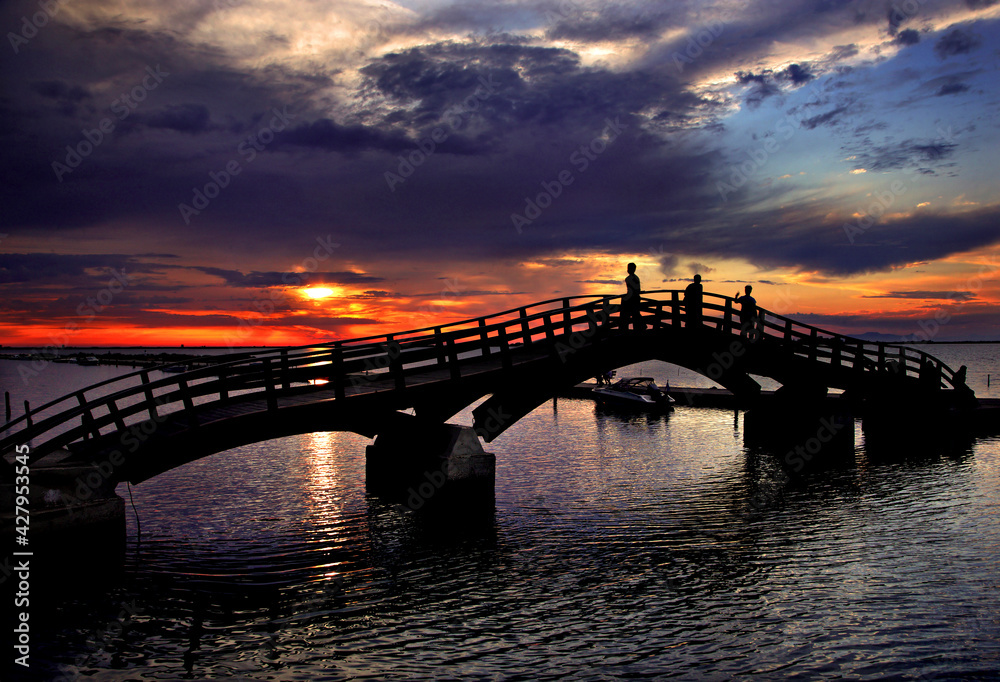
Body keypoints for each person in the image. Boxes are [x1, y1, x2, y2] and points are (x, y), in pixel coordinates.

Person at [622, 262, 644, 330]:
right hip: (636, 298)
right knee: (636, 314)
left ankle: (626, 329)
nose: (628, 270)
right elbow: (637, 289)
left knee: (632, 314)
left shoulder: (628, 279)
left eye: (629, 268)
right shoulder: (636, 278)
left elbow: (631, 289)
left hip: (632, 299)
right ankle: (640, 326)